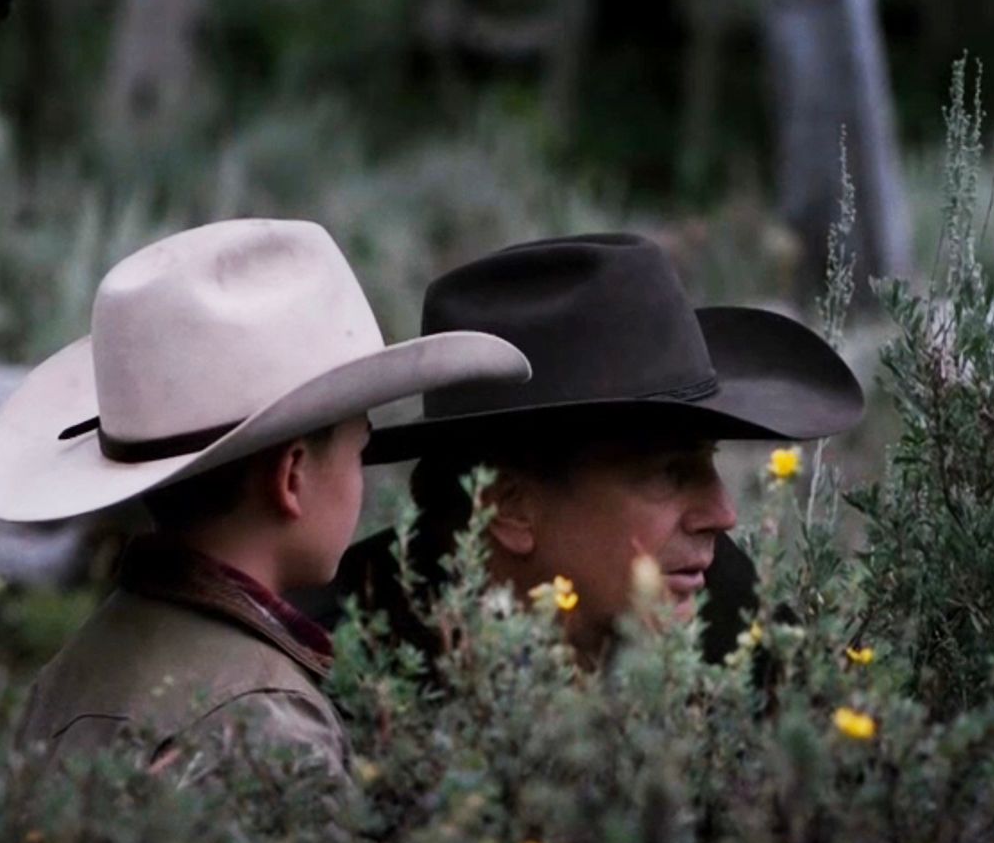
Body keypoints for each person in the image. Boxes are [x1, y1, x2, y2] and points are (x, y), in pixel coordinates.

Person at [0, 219, 530, 777]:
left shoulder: (75, 666)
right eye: (358, 453)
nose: (363, 479)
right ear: (292, 477)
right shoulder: (270, 725)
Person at [301, 233, 863, 664]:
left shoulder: (722, 606)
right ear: (509, 506)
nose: (724, 513)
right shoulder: (349, 678)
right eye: (670, 474)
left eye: (707, 462)